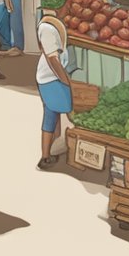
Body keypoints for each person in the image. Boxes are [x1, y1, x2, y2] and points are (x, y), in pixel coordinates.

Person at [35, 14, 71, 170]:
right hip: (50, 79)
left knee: (52, 112)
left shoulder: (49, 24)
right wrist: (65, 80)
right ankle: (45, 156)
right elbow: (52, 59)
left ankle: (52, 149)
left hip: (49, 78)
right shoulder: (47, 28)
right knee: (51, 113)